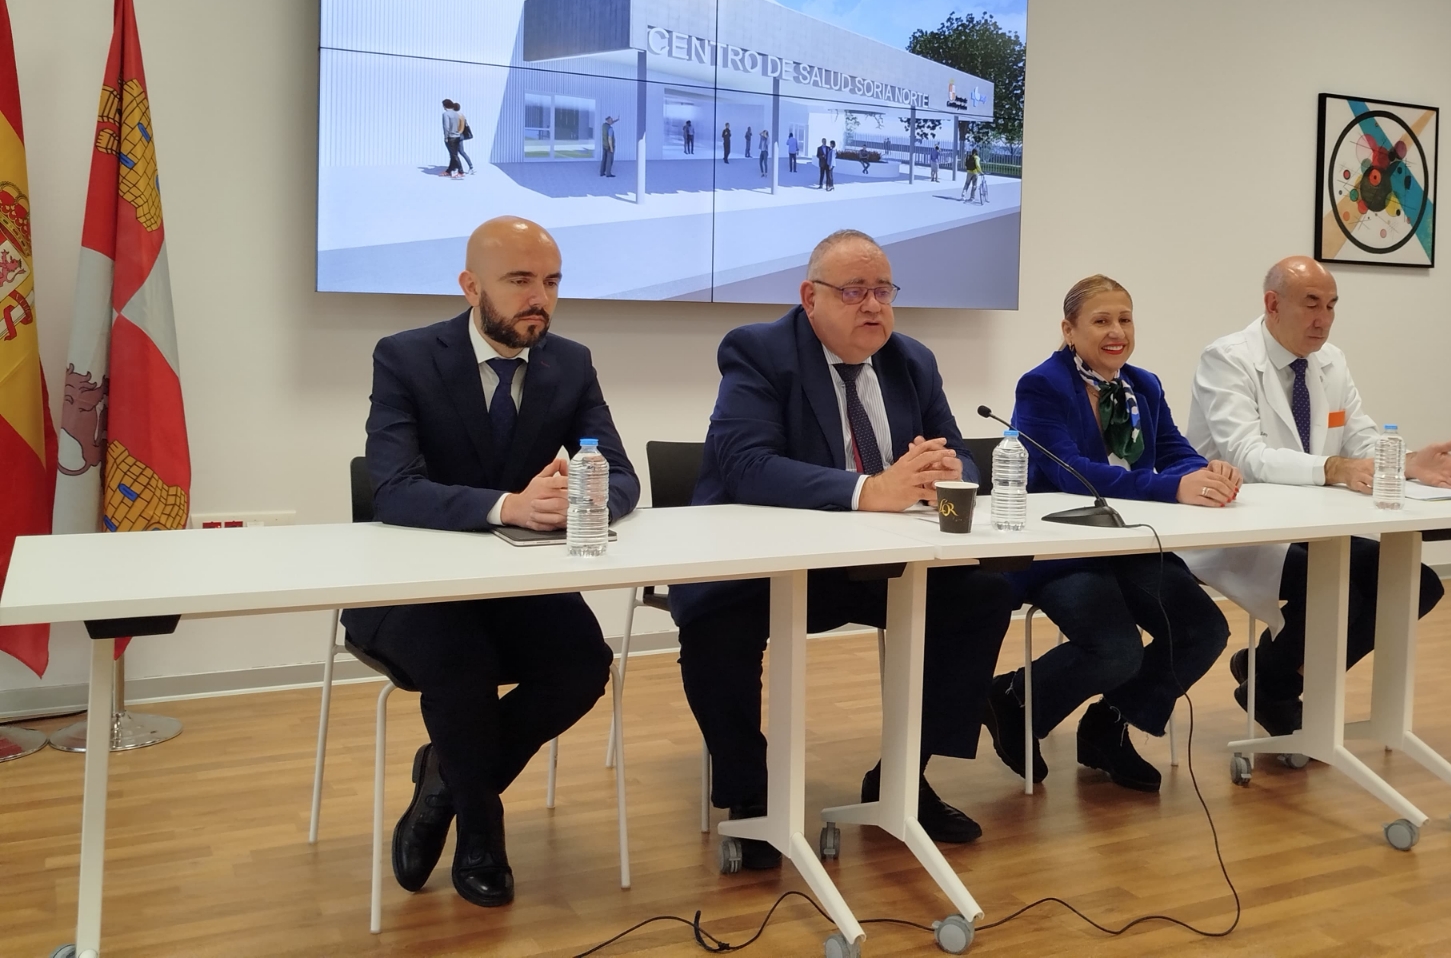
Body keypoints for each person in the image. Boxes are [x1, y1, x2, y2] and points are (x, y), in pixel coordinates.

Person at [670, 229, 1014, 871]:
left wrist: (946, 477)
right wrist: (868, 491)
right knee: (714, 627)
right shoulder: (759, 350)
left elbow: (963, 457)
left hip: (874, 564)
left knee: (980, 597)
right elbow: (745, 464)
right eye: (854, 291)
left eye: (883, 291)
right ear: (811, 297)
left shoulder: (912, 361)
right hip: (764, 566)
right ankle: (751, 794)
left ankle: (901, 777)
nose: (873, 305)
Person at [342, 217, 640, 909]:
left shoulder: (570, 363)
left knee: (583, 665)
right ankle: (481, 831)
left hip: (517, 586)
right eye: (520, 281)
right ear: (471, 286)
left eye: (552, 282)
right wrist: (508, 506)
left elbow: (621, 475)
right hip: (412, 587)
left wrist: (582, 497)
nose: (540, 298)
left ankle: (443, 783)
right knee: (462, 663)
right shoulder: (406, 357)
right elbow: (392, 488)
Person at [1185, 256, 1451, 736]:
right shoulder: (1227, 359)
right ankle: (1273, 683)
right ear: (1273, 304)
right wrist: (1332, 468)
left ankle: (1270, 675)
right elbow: (1247, 456)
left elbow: (1360, 440)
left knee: (1416, 584)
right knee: (1341, 590)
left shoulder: (1331, 361)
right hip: (1240, 525)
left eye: (1332, 306)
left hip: (1312, 524)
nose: (1324, 319)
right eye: (1311, 304)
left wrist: (1407, 461)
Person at [983, 275, 1233, 793]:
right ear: (1069, 330)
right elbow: (1070, 473)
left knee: (1203, 629)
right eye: (1101, 321)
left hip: (1130, 544)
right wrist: (1172, 488)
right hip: (1062, 549)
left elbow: (1174, 451)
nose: (1116, 331)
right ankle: (1014, 697)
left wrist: (1207, 472)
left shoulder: (1144, 384)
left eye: (1125, 319)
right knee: (1116, 649)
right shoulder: (1042, 385)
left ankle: (1108, 725)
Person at [441, 98, 464, 179]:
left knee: (454, 155)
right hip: (457, 136)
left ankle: (460, 171)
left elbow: (446, 127)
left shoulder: (445, 114)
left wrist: (446, 137)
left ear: (445, 106)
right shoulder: (456, 114)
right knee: (453, 154)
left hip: (450, 137)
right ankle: (449, 170)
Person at [451, 101, 476, 174]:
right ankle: (471, 167)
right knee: (462, 152)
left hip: (456, 136)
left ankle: (456, 169)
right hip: (461, 136)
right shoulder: (462, 115)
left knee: (454, 153)